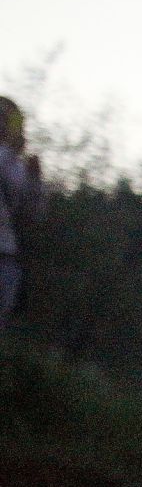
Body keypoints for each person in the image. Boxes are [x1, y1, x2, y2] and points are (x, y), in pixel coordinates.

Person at [0, 96, 48, 330]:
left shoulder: (17, 166)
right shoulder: (9, 161)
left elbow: (35, 213)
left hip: (7, 258)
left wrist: (35, 181)